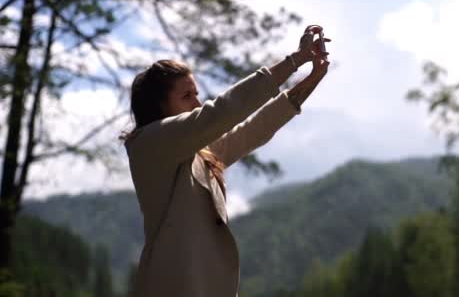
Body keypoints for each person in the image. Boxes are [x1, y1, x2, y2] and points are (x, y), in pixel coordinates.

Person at [119, 25, 331, 297]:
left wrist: (311, 79)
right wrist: (295, 60)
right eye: (186, 96)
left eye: (196, 94)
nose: (197, 103)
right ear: (157, 107)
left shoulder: (196, 154)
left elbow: (252, 131)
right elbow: (221, 112)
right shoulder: (148, 145)